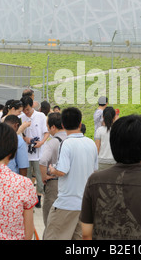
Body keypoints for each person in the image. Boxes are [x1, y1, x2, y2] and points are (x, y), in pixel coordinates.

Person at [44, 107, 98, 240]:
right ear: (80, 124)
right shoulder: (91, 143)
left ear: (62, 125)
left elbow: (62, 171)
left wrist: (52, 170)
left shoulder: (67, 143)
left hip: (66, 203)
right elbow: (95, 171)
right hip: (85, 204)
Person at [20, 96, 49, 208]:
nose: (26, 112)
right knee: (27, 177)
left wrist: (41, 142)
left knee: (39, 175)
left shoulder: (40, 116)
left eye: (27, 109)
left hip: (39, 151)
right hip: (26, 152)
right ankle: (28, 198)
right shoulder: (21, 117)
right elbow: (20, 134)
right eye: (24, 110)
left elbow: (46, 133)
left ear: (32, 106)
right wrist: (25, 139)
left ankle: (38, 196)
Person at [39, 112, 67, 226]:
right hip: (70, 183)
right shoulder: (72, 140)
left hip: (55, 183)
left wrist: (44, 176)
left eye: (48, 126)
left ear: (53, 127)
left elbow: (42, 161)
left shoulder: (52, 143)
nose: (47, 129)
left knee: (50, 218)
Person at [94, 106, 117, 171]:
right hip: (114, 162)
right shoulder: (118, 130)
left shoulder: (99, 130)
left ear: (103, 117)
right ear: (114, 117)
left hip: (101, 162)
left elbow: (97, 149)